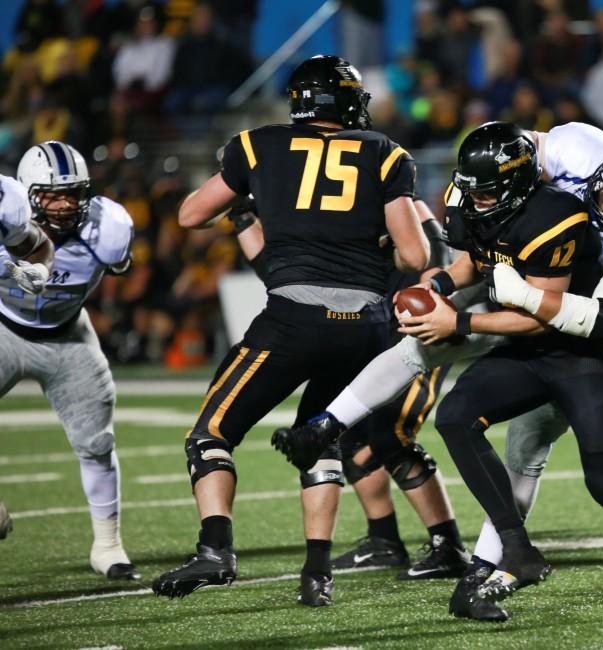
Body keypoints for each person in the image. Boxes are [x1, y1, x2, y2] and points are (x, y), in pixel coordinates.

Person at [273, 122, 603, 621]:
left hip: (577, 345)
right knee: (450, 406)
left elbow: (595, 320)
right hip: (517, 316)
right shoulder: (564, 162)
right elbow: (501, 196)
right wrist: (445, 283)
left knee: (602, 485)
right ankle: (488, 560)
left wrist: (469, 312)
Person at [150, 55, 430, 606]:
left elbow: (188, 215)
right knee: (320, 439)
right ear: (347, 101)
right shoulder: (385, 152)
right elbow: (415, 253)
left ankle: (215, 549)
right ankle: (316, 575)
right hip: (366, 326)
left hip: (293, 319)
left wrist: (256, 202)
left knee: (210, 435)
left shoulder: (256, 146)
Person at [227, 197, 471, 579]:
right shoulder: (327, 219)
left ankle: (449, 545)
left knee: (390, 435)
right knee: (351, 438)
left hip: (417, 339)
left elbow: (430, 259)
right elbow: (274, 270)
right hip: (371, 344)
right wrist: (242, 218)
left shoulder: (397, 204)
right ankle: (384, 541)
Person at [0, 140, 137, 580]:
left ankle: (108, 544)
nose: (63, 205)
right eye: (52, 195)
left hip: (69, 336)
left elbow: (117, 268)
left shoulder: (108, 227)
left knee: (97, 444)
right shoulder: (8, 213)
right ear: (27, 194)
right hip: (3, 327)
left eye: (72, 194)